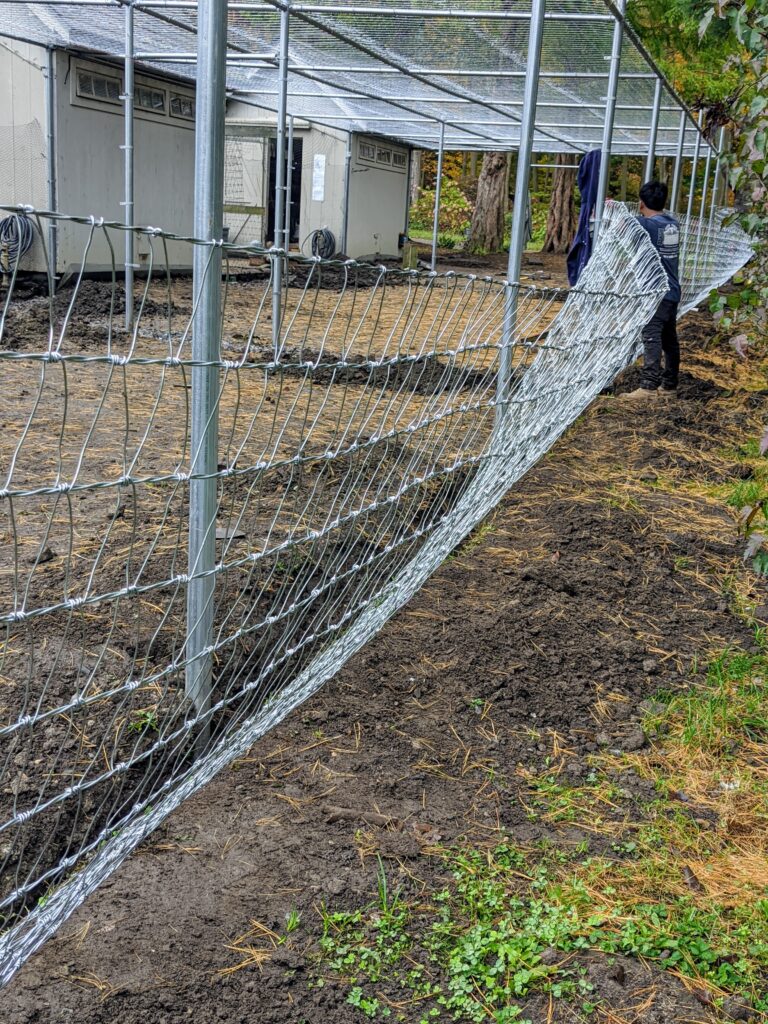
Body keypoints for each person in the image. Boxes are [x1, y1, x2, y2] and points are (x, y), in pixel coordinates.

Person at [621, 180, 681, 401]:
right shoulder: (672, 224)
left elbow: (622, 225)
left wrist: (608, 207)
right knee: (669, 339)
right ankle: (669, 386)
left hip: (655, 293)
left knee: (651, 336)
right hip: (672, 290)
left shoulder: (646, 225)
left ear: (641, 203)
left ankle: (648, 387)